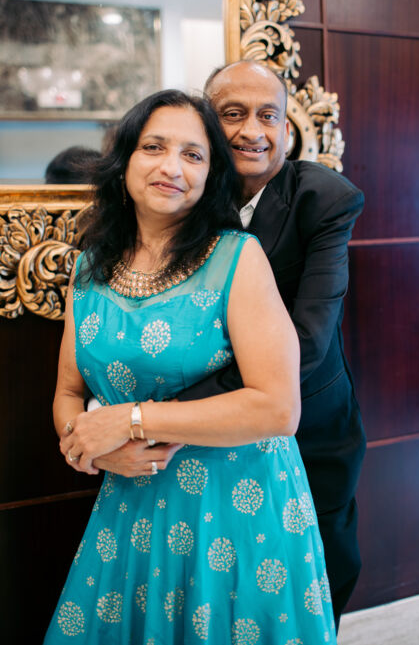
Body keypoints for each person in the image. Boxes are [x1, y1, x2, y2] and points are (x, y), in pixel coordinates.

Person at [43, 89, 337, 644]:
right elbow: (67, 393)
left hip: (237, 509)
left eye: (193, 154)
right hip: (131, 503)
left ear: (210, 177)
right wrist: (92, 450)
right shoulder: (89, 267)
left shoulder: (237, 258)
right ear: (124, 161)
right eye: (154, 147)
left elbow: (278, 409)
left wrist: (131, 421)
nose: (171, 167)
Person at [96, 61, 366, 627]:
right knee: (207, 591)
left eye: (268, 116)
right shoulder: (183, 192)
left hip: (308, 426)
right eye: (233, 114)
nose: (252, 131)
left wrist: (152, 417)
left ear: (286, 130)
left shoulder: (323, 197)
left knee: (318, 580)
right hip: (194, 452)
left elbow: (307, 342)